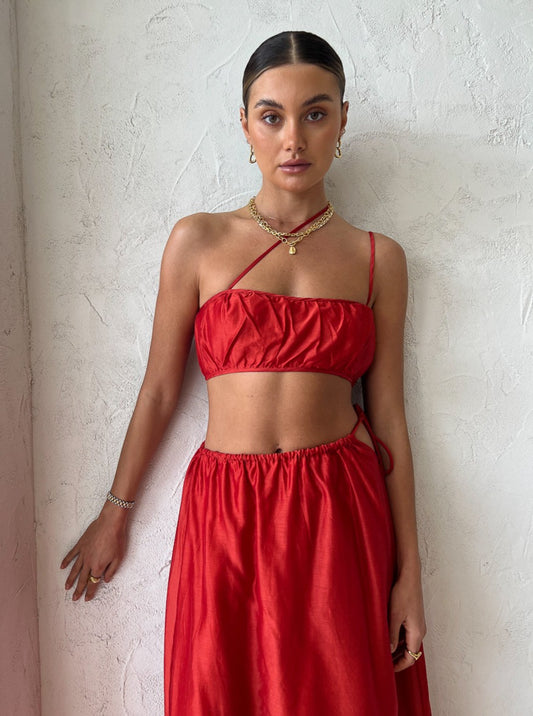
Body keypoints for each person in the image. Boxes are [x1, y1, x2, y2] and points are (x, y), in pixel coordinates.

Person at [61, 30, 432, 715]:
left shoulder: (378, 258)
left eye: (315, 113)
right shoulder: (197, 241)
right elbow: (161, 390)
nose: (293, 138)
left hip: (338, 509)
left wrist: (409, 575)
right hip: (226, 509)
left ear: (341, 120)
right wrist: (116, 513)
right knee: (221, 689)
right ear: (244, 125)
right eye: (271, 116)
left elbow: (390, 425)